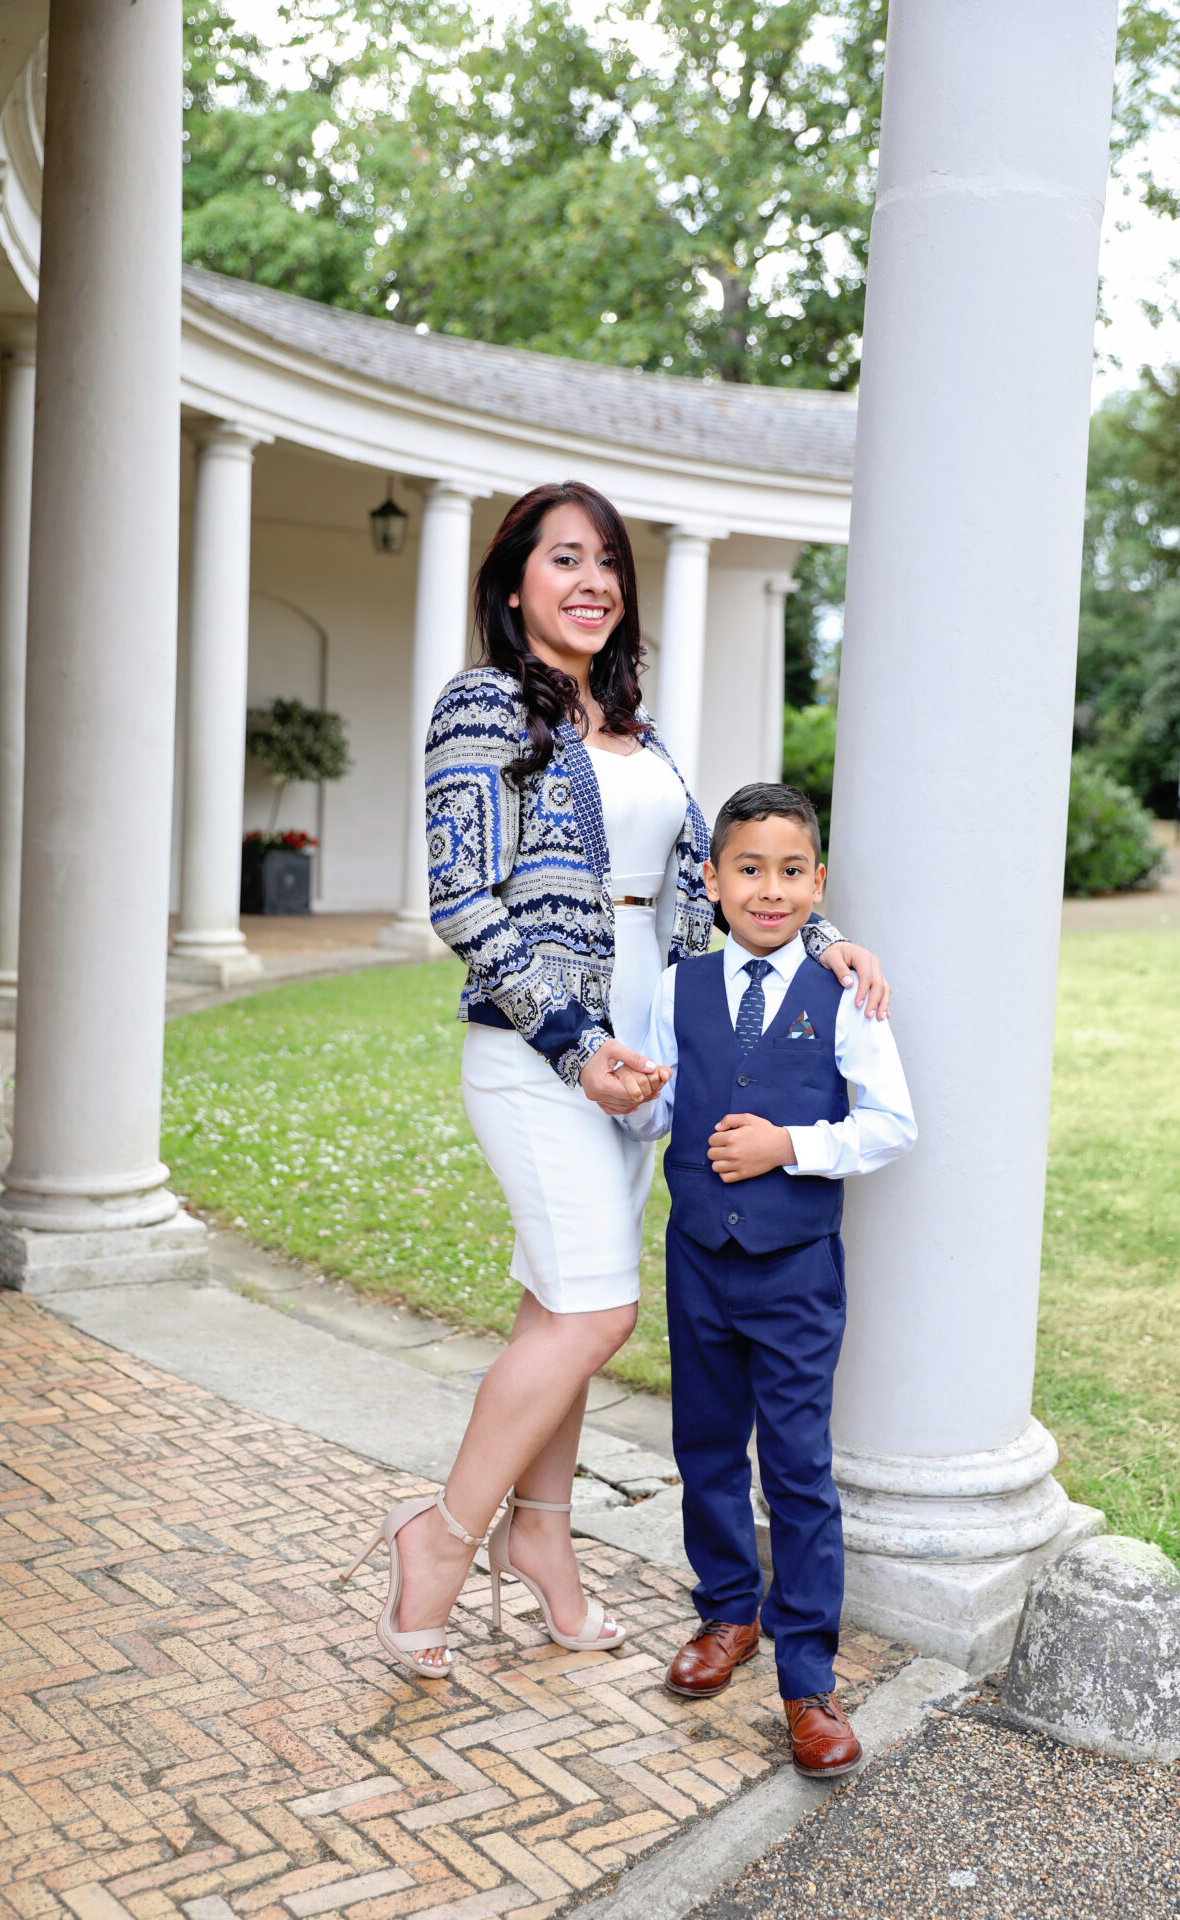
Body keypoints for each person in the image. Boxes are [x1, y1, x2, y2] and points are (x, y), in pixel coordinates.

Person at [349, 484, 890, 1678]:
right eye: (563, 561)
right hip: (540, 1055)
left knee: (560, 1310)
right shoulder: (480, 705)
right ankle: (438, 1539)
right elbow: (462, 897)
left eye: (607, 565)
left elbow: (711, 881)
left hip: (644, 1065)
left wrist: (823, 937)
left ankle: (544, 1544)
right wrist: (570, 1043)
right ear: (511, 586)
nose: (590, 583)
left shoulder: (636, 733)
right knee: (601, 1311)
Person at [620, 781, 916, 1777]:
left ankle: (807, 1678)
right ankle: (723, 1615)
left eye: (791, 871)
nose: (769, 888)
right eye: (747, 868)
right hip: (698, 1257)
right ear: (710, 881)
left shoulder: (845, 990)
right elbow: (659, 1112)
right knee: (704, 1446)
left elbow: (889, 1125)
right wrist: (631, 1099)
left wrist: (789, 1143)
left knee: (794, 1468)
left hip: (792, 1272)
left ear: (815, 881)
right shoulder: (679, 987)